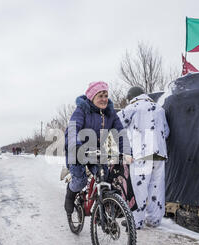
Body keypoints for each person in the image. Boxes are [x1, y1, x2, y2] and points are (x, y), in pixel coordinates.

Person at [64, 81, 130, 214]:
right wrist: (76, 147)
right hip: (79, 151)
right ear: (92, 97)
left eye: (106, 95)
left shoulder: (110, 113)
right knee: (80, 182)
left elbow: (120, 134)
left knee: (105, 178)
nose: (104, 99)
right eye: (100, 95)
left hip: (98, 153)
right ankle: (70, 194)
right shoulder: (82, 110)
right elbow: (72, 130)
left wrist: (127, 152)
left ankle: (103, 206)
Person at [117, 86, 170, 229]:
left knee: (139, 189)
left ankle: (135, 222)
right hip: (159, 154)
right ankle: (154, 220)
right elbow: (166, 131)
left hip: (141, 154)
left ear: (131, 97)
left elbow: (116, 124)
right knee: (156, 188)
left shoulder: (132, 108)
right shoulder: (159, 109)